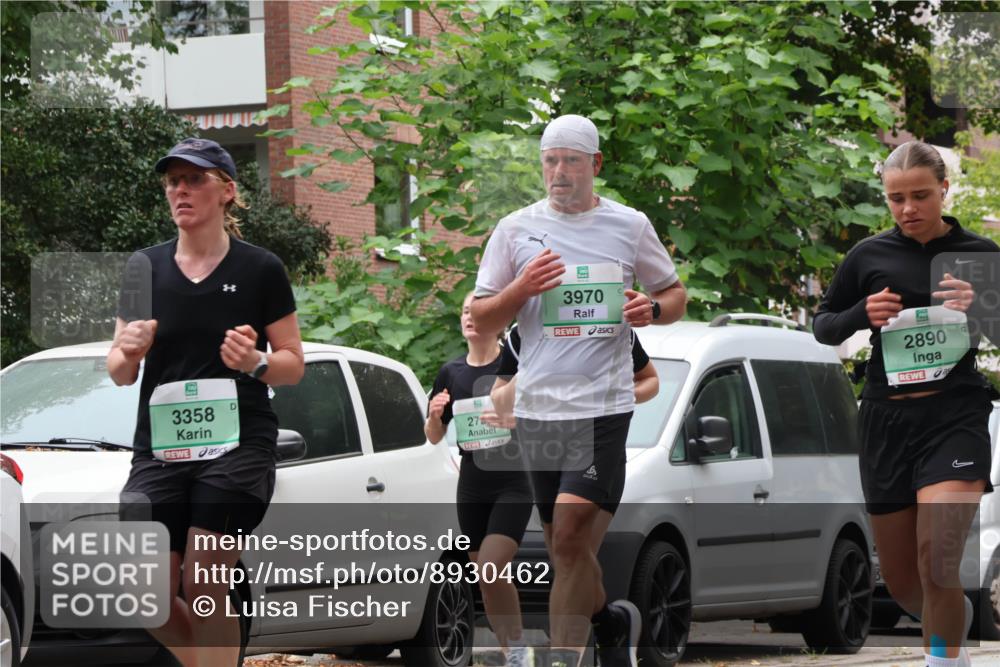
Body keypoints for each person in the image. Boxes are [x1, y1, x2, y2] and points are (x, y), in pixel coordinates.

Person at [471, 114, 686, 667]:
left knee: (568, 536)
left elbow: (674, 295)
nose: (559, 172)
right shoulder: (514, 230)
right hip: (539, 412)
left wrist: (652, 308)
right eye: (550, 160)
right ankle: (612, 622)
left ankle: (564, 658)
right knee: (565, 548)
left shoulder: (629, 225)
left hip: (602, 408)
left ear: (595, 164)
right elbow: (482, 319)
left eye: (571, 160)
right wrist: (521, 288)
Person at [109, 138, 305, 667]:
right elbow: (120, 372)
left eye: (195, 179)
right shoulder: (144, 268)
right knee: (143, 593)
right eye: (173, 181)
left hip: (237, 446)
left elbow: (292, 364)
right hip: (161, 449)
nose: (181, 190)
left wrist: (256, 362)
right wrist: (128, 352)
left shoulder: (261, 268)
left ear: (227, 190)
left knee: (203, 581)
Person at [813, 140, 999, 667]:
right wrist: (861, 313)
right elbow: (824, 325)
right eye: (896, 199)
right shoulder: (868, 256)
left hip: (954, 417)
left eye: (920, 195)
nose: (908, 208)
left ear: (944, 189)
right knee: (903, 584)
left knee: (937, 561)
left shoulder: (981, 254)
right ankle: (952, 624)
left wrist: (981, 307)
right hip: (887, 420)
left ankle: (941, 658)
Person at [424, 293, 535, 667]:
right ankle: (512, 653)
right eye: (464, 312)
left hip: (513, 481)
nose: (469, 317)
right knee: (485, 577)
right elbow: (434, 435)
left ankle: (518, 649)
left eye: (477, 311)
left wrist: (513, 419)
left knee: (492, 565)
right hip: (472, 483)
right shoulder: (451, 372)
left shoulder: (512, 367)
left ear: (497, 320)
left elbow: (541, 419)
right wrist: (435, 416)